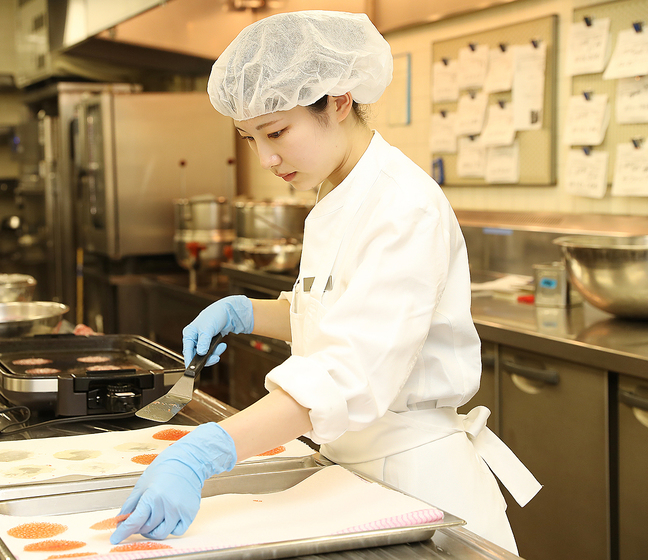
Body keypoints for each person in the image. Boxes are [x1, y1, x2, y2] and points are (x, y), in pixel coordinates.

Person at [110, 10, 541, 554]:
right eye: (249, 138)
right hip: (351, 474)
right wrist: (245, 311)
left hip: (415, 481)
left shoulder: (402, 205)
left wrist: (203, 452)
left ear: (338, 101)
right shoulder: (336, 192)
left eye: (276, 132)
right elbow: (334, 316)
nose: (267, 157)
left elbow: (348, 370)